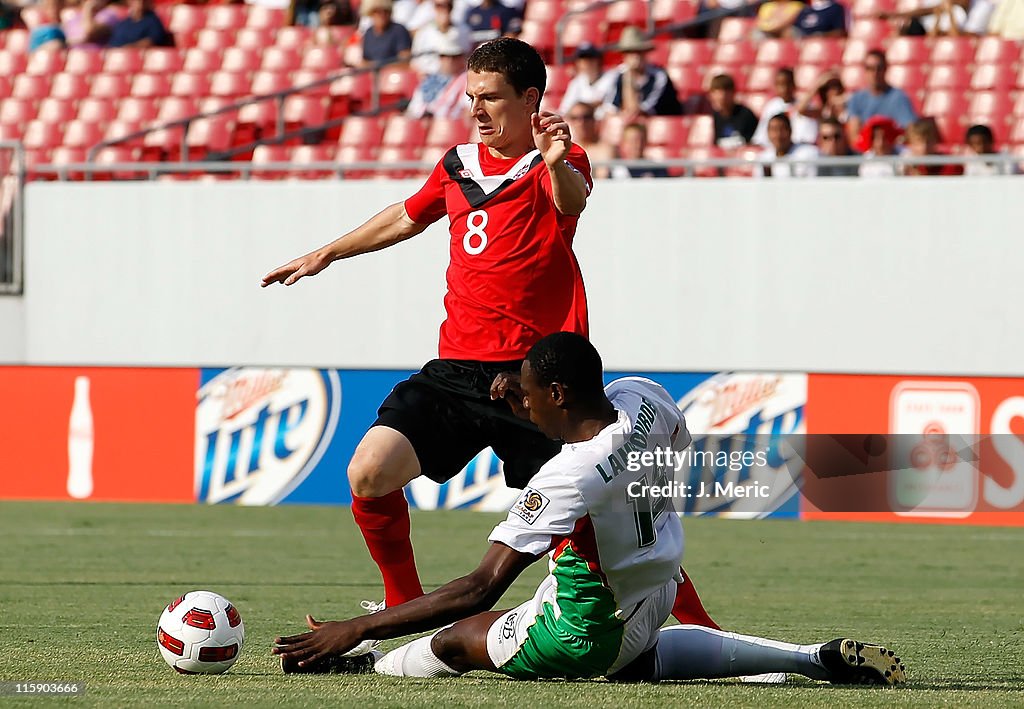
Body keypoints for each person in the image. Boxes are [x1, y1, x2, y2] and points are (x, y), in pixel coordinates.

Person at [272, 333, 908, 688]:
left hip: (585, 627)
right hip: (654, 588)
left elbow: (478, 585)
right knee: (641, 657)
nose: (515, 402)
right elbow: (621, 445)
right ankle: (804, 660)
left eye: (524, 393)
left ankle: (366, 663)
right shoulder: (646, 398)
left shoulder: (568, 475)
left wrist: (353, 627)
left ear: (555, 393)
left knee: (460, 639)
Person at [261, 38, 596, 650]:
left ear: (531, 99)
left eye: (491, 97)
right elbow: (406, 215)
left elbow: (571, 201)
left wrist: (552, 160)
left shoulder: (561, 160)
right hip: (457, 371)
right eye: (471, 97)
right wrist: (327, 253)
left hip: (536, 383)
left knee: (597, 518)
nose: (477, 109)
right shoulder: (458, 164)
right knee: (369, 472)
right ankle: (403, 604)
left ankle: (695, 623)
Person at [601, 27, 683, 119]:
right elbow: (610, 108)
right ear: (624, 55)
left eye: (639, 52)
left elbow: (642, 111)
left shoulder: (659, 76)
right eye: (630, 52)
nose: (636, 56)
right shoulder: (618, 75)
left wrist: (629, 82)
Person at [845, 49, 917, 144]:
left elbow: (911, 130)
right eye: (870, 68)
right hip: (865, 154)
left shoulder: (898, 98)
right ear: (865, 70)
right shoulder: (856, 99)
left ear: (885, 69)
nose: (875, 73)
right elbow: (854, 136)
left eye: (879, 68)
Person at [751, 67, 819, 147]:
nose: (784, 89)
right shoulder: (771, 106)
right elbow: (760, 138)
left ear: (794, 84)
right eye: (780, 84)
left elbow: (809, 138)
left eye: (788, 84)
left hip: (799, 152)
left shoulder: (806, 106)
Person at [405, 36, 467, 118]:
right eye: (444, 56)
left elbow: (467, 111)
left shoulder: (467, 80)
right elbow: (412, 110)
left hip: (447, 126)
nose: (449, 61)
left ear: (462, 58)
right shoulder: (429, 80)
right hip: (419, 123)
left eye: (454, 56)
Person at [410, 0, 469, 76]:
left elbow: (465, 55)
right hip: (429, 77)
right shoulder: (423, 32)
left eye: (448, 5)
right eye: (439, 5)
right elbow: (414, 63)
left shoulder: (463, 30)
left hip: (457, 77)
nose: (444, 9)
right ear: (434, 7)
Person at [558, 43, 615, 117]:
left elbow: (602, 103)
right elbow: (565, 110)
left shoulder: (611, 77)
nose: (586, 63)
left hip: (602, 123)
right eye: (582, 60)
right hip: (579, 123)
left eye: (590, 58)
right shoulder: (576, 82)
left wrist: (577, 108)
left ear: (598, 60)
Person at [756, 113, 819, 177]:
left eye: (782, 129)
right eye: (774, 129)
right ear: (768, 133)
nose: (778, 135)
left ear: (790, 131)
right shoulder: (764, 158)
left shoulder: (808, 154)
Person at [708, 73, 758, 149]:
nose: (721, 96)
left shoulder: (746, 115)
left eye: (725, 91)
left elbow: (754, 143)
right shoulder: (715, 117)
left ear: (733, 92)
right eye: (717, 91)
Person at [360, 0, 412, 66]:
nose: (382, 15)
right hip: (372, 74)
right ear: (371, 13)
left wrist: (380, 66)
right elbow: (365, 60)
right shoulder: (368, 33)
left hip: (392, 73)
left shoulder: (399, 30)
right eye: (378, 11)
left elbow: (404, 60)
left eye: (386, 11)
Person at [108, 0, 173, 48]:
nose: (140, 3)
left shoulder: (153, 21)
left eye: (143, 1)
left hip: (140, 60)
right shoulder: (122, 24)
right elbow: (113, 44)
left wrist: (130, 48)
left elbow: (153, 40)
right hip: (120, 60)